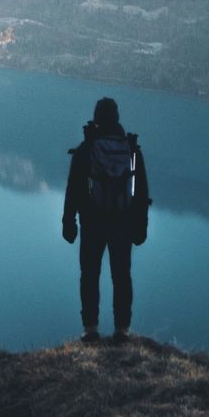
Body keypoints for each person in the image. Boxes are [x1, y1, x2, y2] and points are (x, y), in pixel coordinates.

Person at [62, 96, 151, 342]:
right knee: (121, 275)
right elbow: (141, 191)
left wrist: (69, 222)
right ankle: (122, 330)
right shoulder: (131, 150)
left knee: (89, 274)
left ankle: (90, 329)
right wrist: (141, 225)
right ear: (117, 118)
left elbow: (74, 189)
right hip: (122, 222)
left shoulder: (87, 149)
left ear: (97, 119)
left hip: (92, 222)